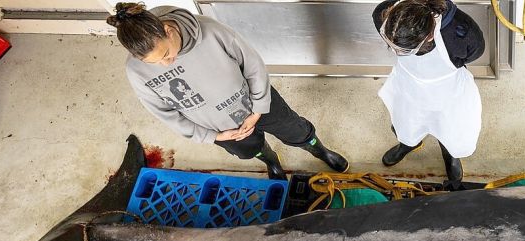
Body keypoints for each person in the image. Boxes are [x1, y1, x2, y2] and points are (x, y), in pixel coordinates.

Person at [108, 2, 349, 180]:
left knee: (297, 130)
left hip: (257, 102)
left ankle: (320, 151)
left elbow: (253, 66)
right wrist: (211, 136)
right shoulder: (136, 70)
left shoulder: (211, 31)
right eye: (154, 63)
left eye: (166, 54)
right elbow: (165, 113)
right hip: (221, 128)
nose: (166, 64)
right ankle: (272, 162)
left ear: (168, 31)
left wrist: (258, 108)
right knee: (250, 150)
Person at [373, 0, 485, 182]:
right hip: (408, 86)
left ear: (431, 36)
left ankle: (450, 155)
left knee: (449, 128)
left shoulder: (461, 32)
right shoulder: (383, 14)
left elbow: (475, 52)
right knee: (406, 123)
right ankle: (408, 143)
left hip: (448, 93)